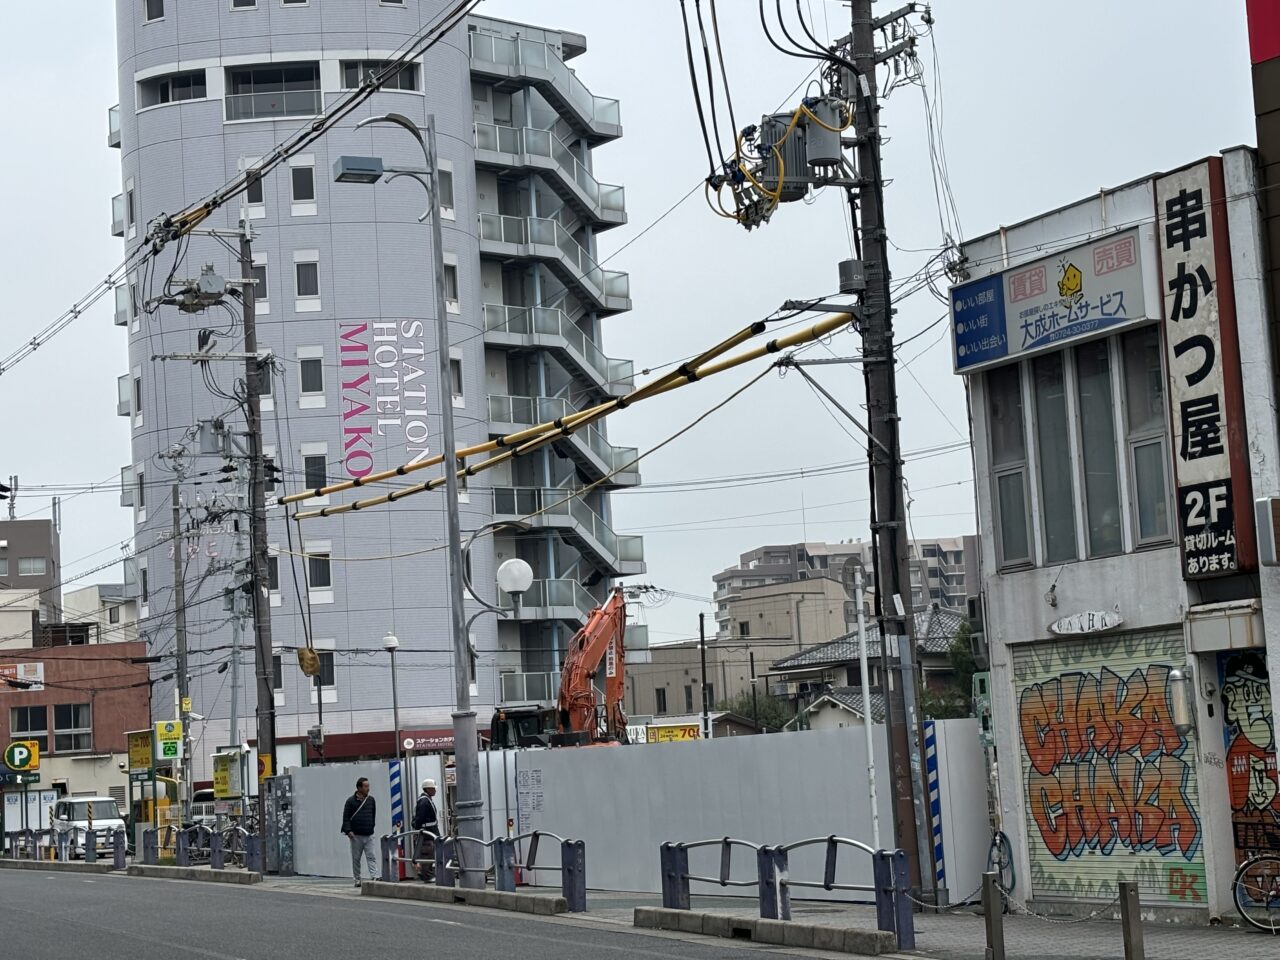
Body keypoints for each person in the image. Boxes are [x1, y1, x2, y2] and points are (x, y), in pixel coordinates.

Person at [341, 777, 378, 887]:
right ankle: (357, 879)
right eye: (366, 786)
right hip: (356, 835)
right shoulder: (350, 801)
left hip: (369, 834)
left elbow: (373, 815)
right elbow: (346, 817)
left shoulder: (371, 800)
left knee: (371, 856)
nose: (368, 788)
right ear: (359, 787)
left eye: (368, 786)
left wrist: (371, 826)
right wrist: (348, 831)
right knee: (356, 858)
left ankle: (374, 876)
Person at [412, 778, 440, 881]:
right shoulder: (424, 801)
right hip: (428, 832)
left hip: (430, 831)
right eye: (433, 788)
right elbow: (420, 818)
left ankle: (428, 873)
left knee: (430, 853)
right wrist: (418, 830)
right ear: (428, 789)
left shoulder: (426, 799)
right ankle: (427, 875)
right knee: (427, 853)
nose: (435, 790)